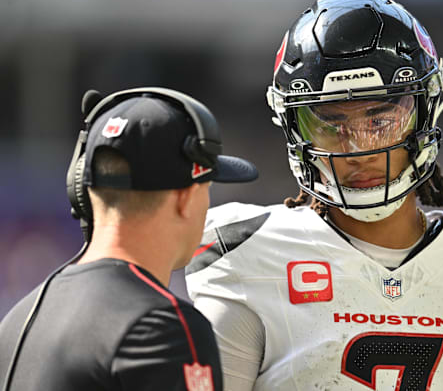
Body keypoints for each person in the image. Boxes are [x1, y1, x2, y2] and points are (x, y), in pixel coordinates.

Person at [186, 0, 443, 391]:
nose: (356, 149)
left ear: (424, 113)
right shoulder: (247, 254)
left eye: (380, 120)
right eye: (329, 124)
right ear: (293, 128)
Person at [0, 87, 258, 391]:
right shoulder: (164, 327)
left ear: (82, 191)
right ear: (186, 198)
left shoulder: (18, 319)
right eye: (207, 190)